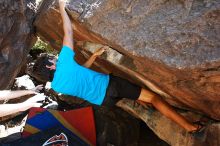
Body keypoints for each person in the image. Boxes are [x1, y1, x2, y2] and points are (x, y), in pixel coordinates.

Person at [33, 0, 203, 133]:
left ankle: (141, 102)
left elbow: (80, 71)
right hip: (112, 86)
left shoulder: (56, 85)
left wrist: (93, 56)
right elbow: (68, 31)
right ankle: (191, 128)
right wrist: (62, 7)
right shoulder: (64, 61)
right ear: (50, 66)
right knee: (153, 98)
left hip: (104, 101)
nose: (55, 58)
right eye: (52, 59)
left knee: (133, 93)